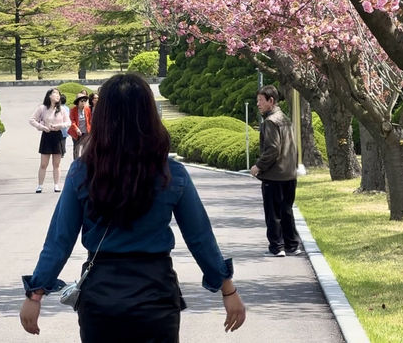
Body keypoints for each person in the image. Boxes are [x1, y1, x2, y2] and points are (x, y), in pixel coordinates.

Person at [20, 72, 246, 342]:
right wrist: (227, 290)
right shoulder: (171, 173)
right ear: (150, 116)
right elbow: (199, 237)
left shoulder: (82, 172)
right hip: (156, 294)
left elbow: (60, 239)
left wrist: (36, 294)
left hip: (101, 296)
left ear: (103, 117)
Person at [250, 84, 301, 257]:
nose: (258, 104)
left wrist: (258, 166)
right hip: (289, 174)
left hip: (274, 176)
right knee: (287, 211)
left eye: (260, 101)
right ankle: (292, 245)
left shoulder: (270, 122)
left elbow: (272, 149)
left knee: (273, 213)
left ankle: (277, 246)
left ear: (271, 101)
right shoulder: (285, 119)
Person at [29, 88, 70, 193]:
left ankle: (56, 185)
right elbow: (32, 120)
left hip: (57, 136)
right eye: (55, 93)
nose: (57, 95)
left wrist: (59, 126)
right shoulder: (42, 108)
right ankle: (40, 185)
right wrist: (42, 127)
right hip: (46, 135)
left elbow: (68, 122)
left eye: (58, 94)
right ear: (49, 96)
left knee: (56, 164)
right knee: (43, 163)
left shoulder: (62, 109)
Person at [68, 90, 92, 160]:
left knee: (86, 149)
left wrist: (90, 130)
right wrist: (77, 129)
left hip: (86, 132)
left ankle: (85, 162)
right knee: (76, 148)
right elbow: (72, 121)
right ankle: (76, 162)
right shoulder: (73, 110)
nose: (83, 102)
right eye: (81, 101)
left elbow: (90, 120)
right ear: (78, 102)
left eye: (85, 101)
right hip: (76, 132)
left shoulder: (87, 109)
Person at [59, 93, 70, 158]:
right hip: (66, 126)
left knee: (59, 139)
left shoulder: (58, 108)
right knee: (63, 139)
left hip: (60, 126)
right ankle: (63, 151)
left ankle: (61, 151)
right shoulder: (67, 108)